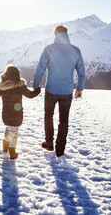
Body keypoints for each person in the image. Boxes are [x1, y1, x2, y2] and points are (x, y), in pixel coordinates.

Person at [33, 25, 85, 157]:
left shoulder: (49, 49)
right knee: (64, 120)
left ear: (55, 34)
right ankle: (60, 149)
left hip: (51, 90)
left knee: (48, 115)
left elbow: (40, 69)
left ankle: (49, 143)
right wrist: (79, 89)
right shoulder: (76, 50)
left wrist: (35, 85)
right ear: (67, 34)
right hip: (67, 92)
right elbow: (81, 73)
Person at [0, 65, 41, 159]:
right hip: (17, 115)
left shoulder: (2, 87)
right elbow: (30, 95)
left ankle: (5, 146)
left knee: (8, 128)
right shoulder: (20, 86)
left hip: (6, 115)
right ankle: (12, 151)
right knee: (14, 131)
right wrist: (38, 90)